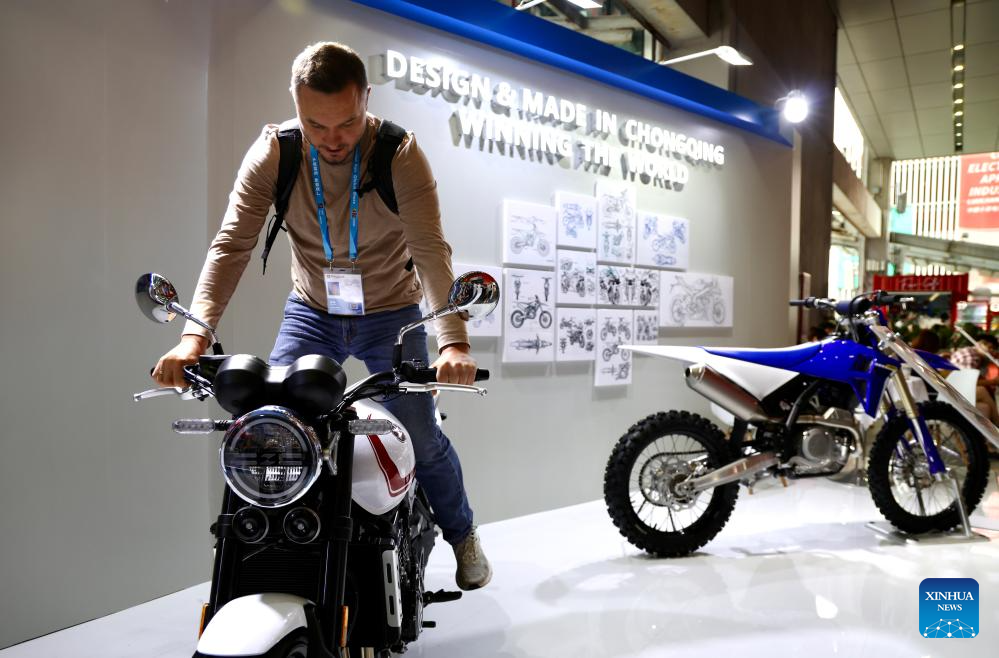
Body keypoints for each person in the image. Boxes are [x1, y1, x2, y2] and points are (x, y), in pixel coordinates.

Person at [151, 41, 491, 590]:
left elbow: (430, 250)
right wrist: (194, 338)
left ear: (366, 100)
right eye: (316, 124)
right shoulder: (276, 152)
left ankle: (462, 534)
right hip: (311, 310)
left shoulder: (399, 154)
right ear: (296, 106)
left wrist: (453, 343)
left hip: (392, 315)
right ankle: (277, 551)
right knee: (270, 429)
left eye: (347, 123)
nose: (333, 139)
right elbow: (231, 246)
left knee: (421, 435)